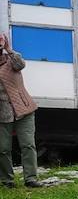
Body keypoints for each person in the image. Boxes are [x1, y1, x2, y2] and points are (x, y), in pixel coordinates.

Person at [0, 32, 40, 188]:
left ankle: (30, 178)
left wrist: (9, 49)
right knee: (3, 149)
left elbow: (20, 65)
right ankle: (7, 181)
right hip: (3, 113)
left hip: (24, 108)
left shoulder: (12, 59)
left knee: (28, 145)